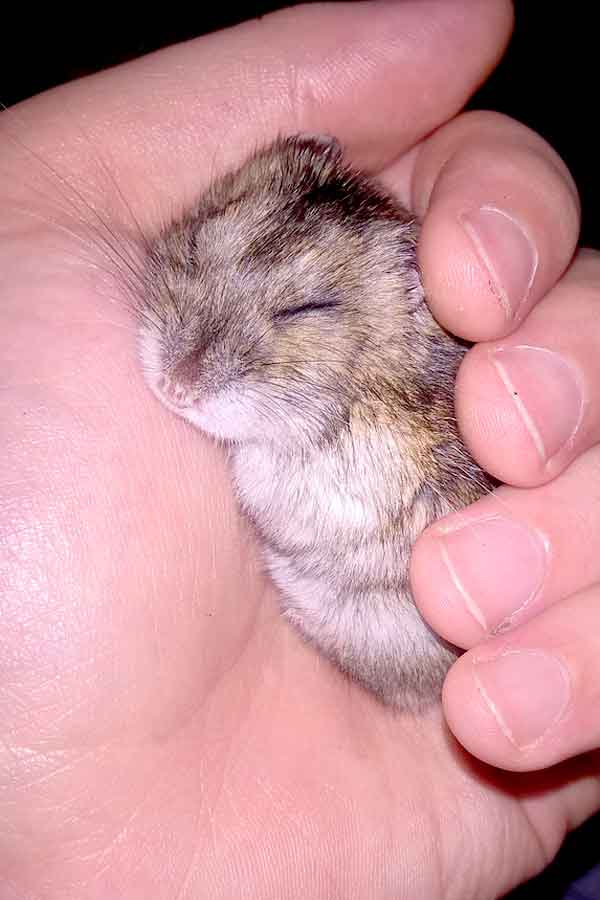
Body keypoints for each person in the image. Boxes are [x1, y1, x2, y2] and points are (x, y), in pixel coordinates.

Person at [1, 1, 598, 896]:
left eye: (304, 314)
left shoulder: (417, 426)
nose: (190, 359)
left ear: (419, 328)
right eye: (202, 251)